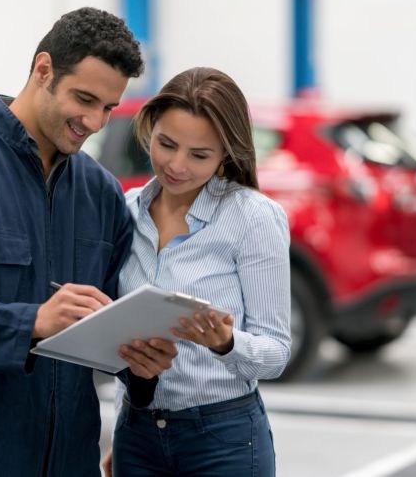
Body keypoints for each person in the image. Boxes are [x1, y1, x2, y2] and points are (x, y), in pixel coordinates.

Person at [0, 7, 177, 477]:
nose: (96, 122)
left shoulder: (102, 194)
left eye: (107, 107)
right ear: (44, 70)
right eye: (84, 99)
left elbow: (112, 323)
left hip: (71, 459)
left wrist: (140, 369)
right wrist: (32, 322)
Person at [103, 67, 291, 476]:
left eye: (199, 155)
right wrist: (122, 427)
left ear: (227, 153)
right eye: (166, 144)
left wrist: (226, 342)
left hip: (223, 439)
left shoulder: (254, 218)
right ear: (149, 129)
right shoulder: (125, 211)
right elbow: (127, 339)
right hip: (138, 435)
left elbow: (276, 353)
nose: (176, 165)